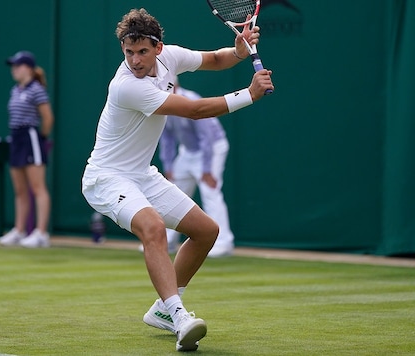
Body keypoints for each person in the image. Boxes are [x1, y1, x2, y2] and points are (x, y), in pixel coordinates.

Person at [81, 8, 274, 352]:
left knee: (206, 231)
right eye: (129, 52)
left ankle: (163, 311)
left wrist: (240, 51)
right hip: (106, 178)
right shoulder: (126, 87)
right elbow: (196, 111)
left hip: (141, 174)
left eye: (142, 51)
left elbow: (216, 59)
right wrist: (249, 94)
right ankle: (178, 315)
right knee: (153, 227)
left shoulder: (171, 57)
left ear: (158, 47)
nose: (135, 60)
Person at [158, 80, 236, 258]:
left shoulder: (192, 100)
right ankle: (166, 240)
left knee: (210, 192)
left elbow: (206, 137)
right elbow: (167, 138)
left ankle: (224, 243)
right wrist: (168, 166)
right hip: (187, 151)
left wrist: (207, 170)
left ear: (174, 86)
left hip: (212, 149)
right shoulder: (161, 103)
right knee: (172, 192)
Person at [0, 51, 54, 248]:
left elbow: (48, 118)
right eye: (13, 65)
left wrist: (41, 139)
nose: (14, 69)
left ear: (28, 68)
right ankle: (19, 231)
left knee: (38, 188)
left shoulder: (37, 89)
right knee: (20, 190)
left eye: (18, 65)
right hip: (16, 139)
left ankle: (41, 234)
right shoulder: (15, 90)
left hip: (31, 138)